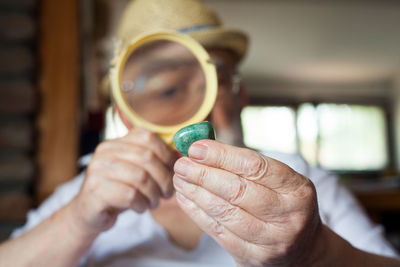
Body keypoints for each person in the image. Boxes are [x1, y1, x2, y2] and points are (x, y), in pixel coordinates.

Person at [0, 0, 399, 266]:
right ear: (125, 111)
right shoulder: (85, 195)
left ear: (240, 93)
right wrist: (77, 221)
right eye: (170, 89)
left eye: (216, 79)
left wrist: (318, 251)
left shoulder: (301, 182)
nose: (201, 107)